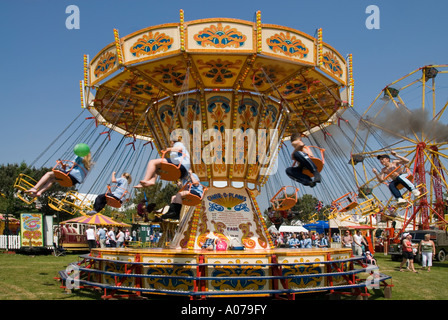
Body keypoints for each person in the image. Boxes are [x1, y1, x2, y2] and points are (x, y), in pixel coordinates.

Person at [25, 153, 92, 197]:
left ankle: (35, 188)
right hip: (74, 181)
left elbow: (72, 164)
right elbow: (74, 167)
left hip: (70, 175)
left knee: (48, 174)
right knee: (52, 180)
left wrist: (65, 166)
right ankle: (40, 192)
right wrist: (65, 166)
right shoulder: (88, 163)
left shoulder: (79, 156)